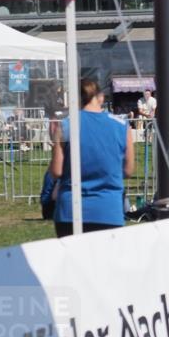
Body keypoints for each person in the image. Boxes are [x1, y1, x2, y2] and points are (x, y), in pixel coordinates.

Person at [49, 78, 135, 237]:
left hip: (70, 210)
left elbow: (56, 171)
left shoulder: (66, 125)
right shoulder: (122, 126)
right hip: (109, 210)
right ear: (100, 97)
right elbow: (128, 170)